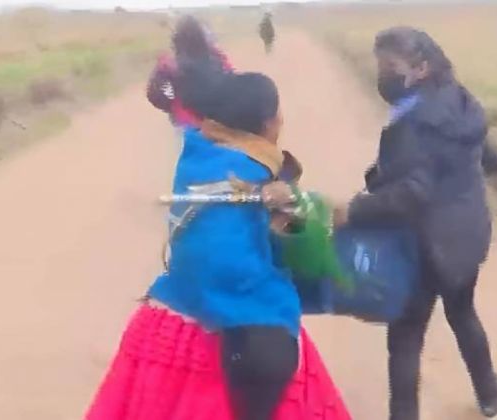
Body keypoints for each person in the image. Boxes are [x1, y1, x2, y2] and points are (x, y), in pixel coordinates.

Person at [85, 71, 351, 420]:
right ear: (268, 123)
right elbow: (242, 265)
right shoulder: (256, 173)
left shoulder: (199, 157)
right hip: (245, 335)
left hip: (171, 317)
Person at [335, 27, 497, 420]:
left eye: (389, 66)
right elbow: (488, 157)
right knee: (463, 313)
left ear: (422, 67)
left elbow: (412, 193)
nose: (382, 74)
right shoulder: (461, 100)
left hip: (423, 244)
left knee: (406, 336)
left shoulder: (413, 121)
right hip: (466, 235)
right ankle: (490, 398)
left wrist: (355, 211)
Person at [146, 15, 234, 128]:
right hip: (205, 122)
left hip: (191, 122)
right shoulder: (216, 58)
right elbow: (232, 83)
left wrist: (172, 107)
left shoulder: (169, 63)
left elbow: (154, 93)